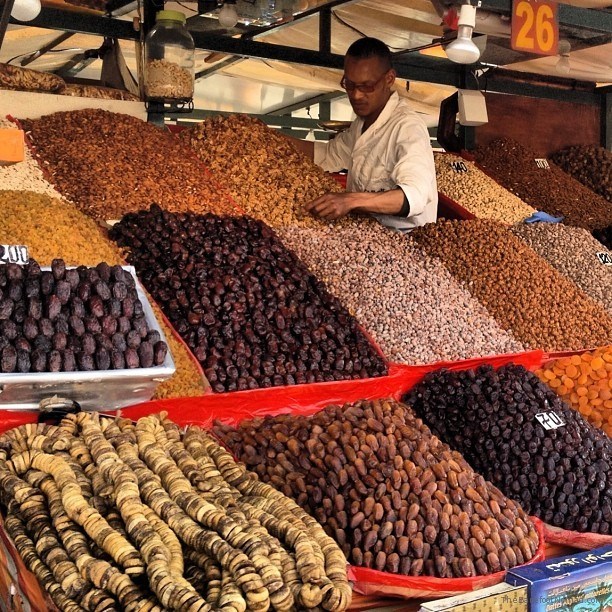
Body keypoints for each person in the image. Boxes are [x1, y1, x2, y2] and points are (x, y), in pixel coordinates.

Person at [291, 37, 437, 232]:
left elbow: (415, 196)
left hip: (406, 242)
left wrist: (351, 200)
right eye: (349, 85)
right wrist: (265, 136)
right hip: (365, 239)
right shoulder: (360, 126)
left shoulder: (407, 127)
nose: (356, 95)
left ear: (389, 79)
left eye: (366, 86)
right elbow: (326, 154)